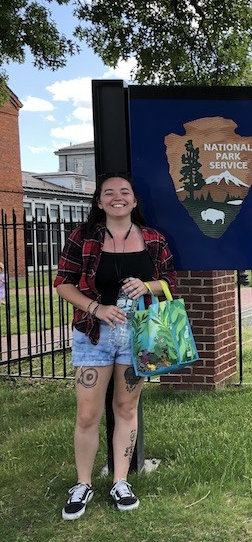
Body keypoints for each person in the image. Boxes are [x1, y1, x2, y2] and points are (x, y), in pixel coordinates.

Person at [54, 173, 176, 520]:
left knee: (126, 409)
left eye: (125, 192)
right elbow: (63, 283)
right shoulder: (83, 237)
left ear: (135, 201)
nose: (117, 197)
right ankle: (82, 484)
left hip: (139, 336)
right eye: (109, 193)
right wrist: (96, 307)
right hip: (94, 334)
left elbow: (171, 281)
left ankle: (120, 481)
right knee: (88, 413)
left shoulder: (152, 239)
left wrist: (148, 285)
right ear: (99, 201)